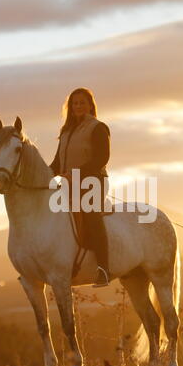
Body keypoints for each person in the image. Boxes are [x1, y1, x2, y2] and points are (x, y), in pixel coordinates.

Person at [49, 87, 111, 287]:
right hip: (69, 183)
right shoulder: (66, 131)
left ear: (90, 105)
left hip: (93, 182)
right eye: (74, 103)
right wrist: (43, 175)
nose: (78, 106)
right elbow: (57, 162)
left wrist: (75, 174)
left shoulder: (98, 128)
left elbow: (102, 158)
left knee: (91, 213)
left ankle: (103, 269)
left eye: (82, 102)